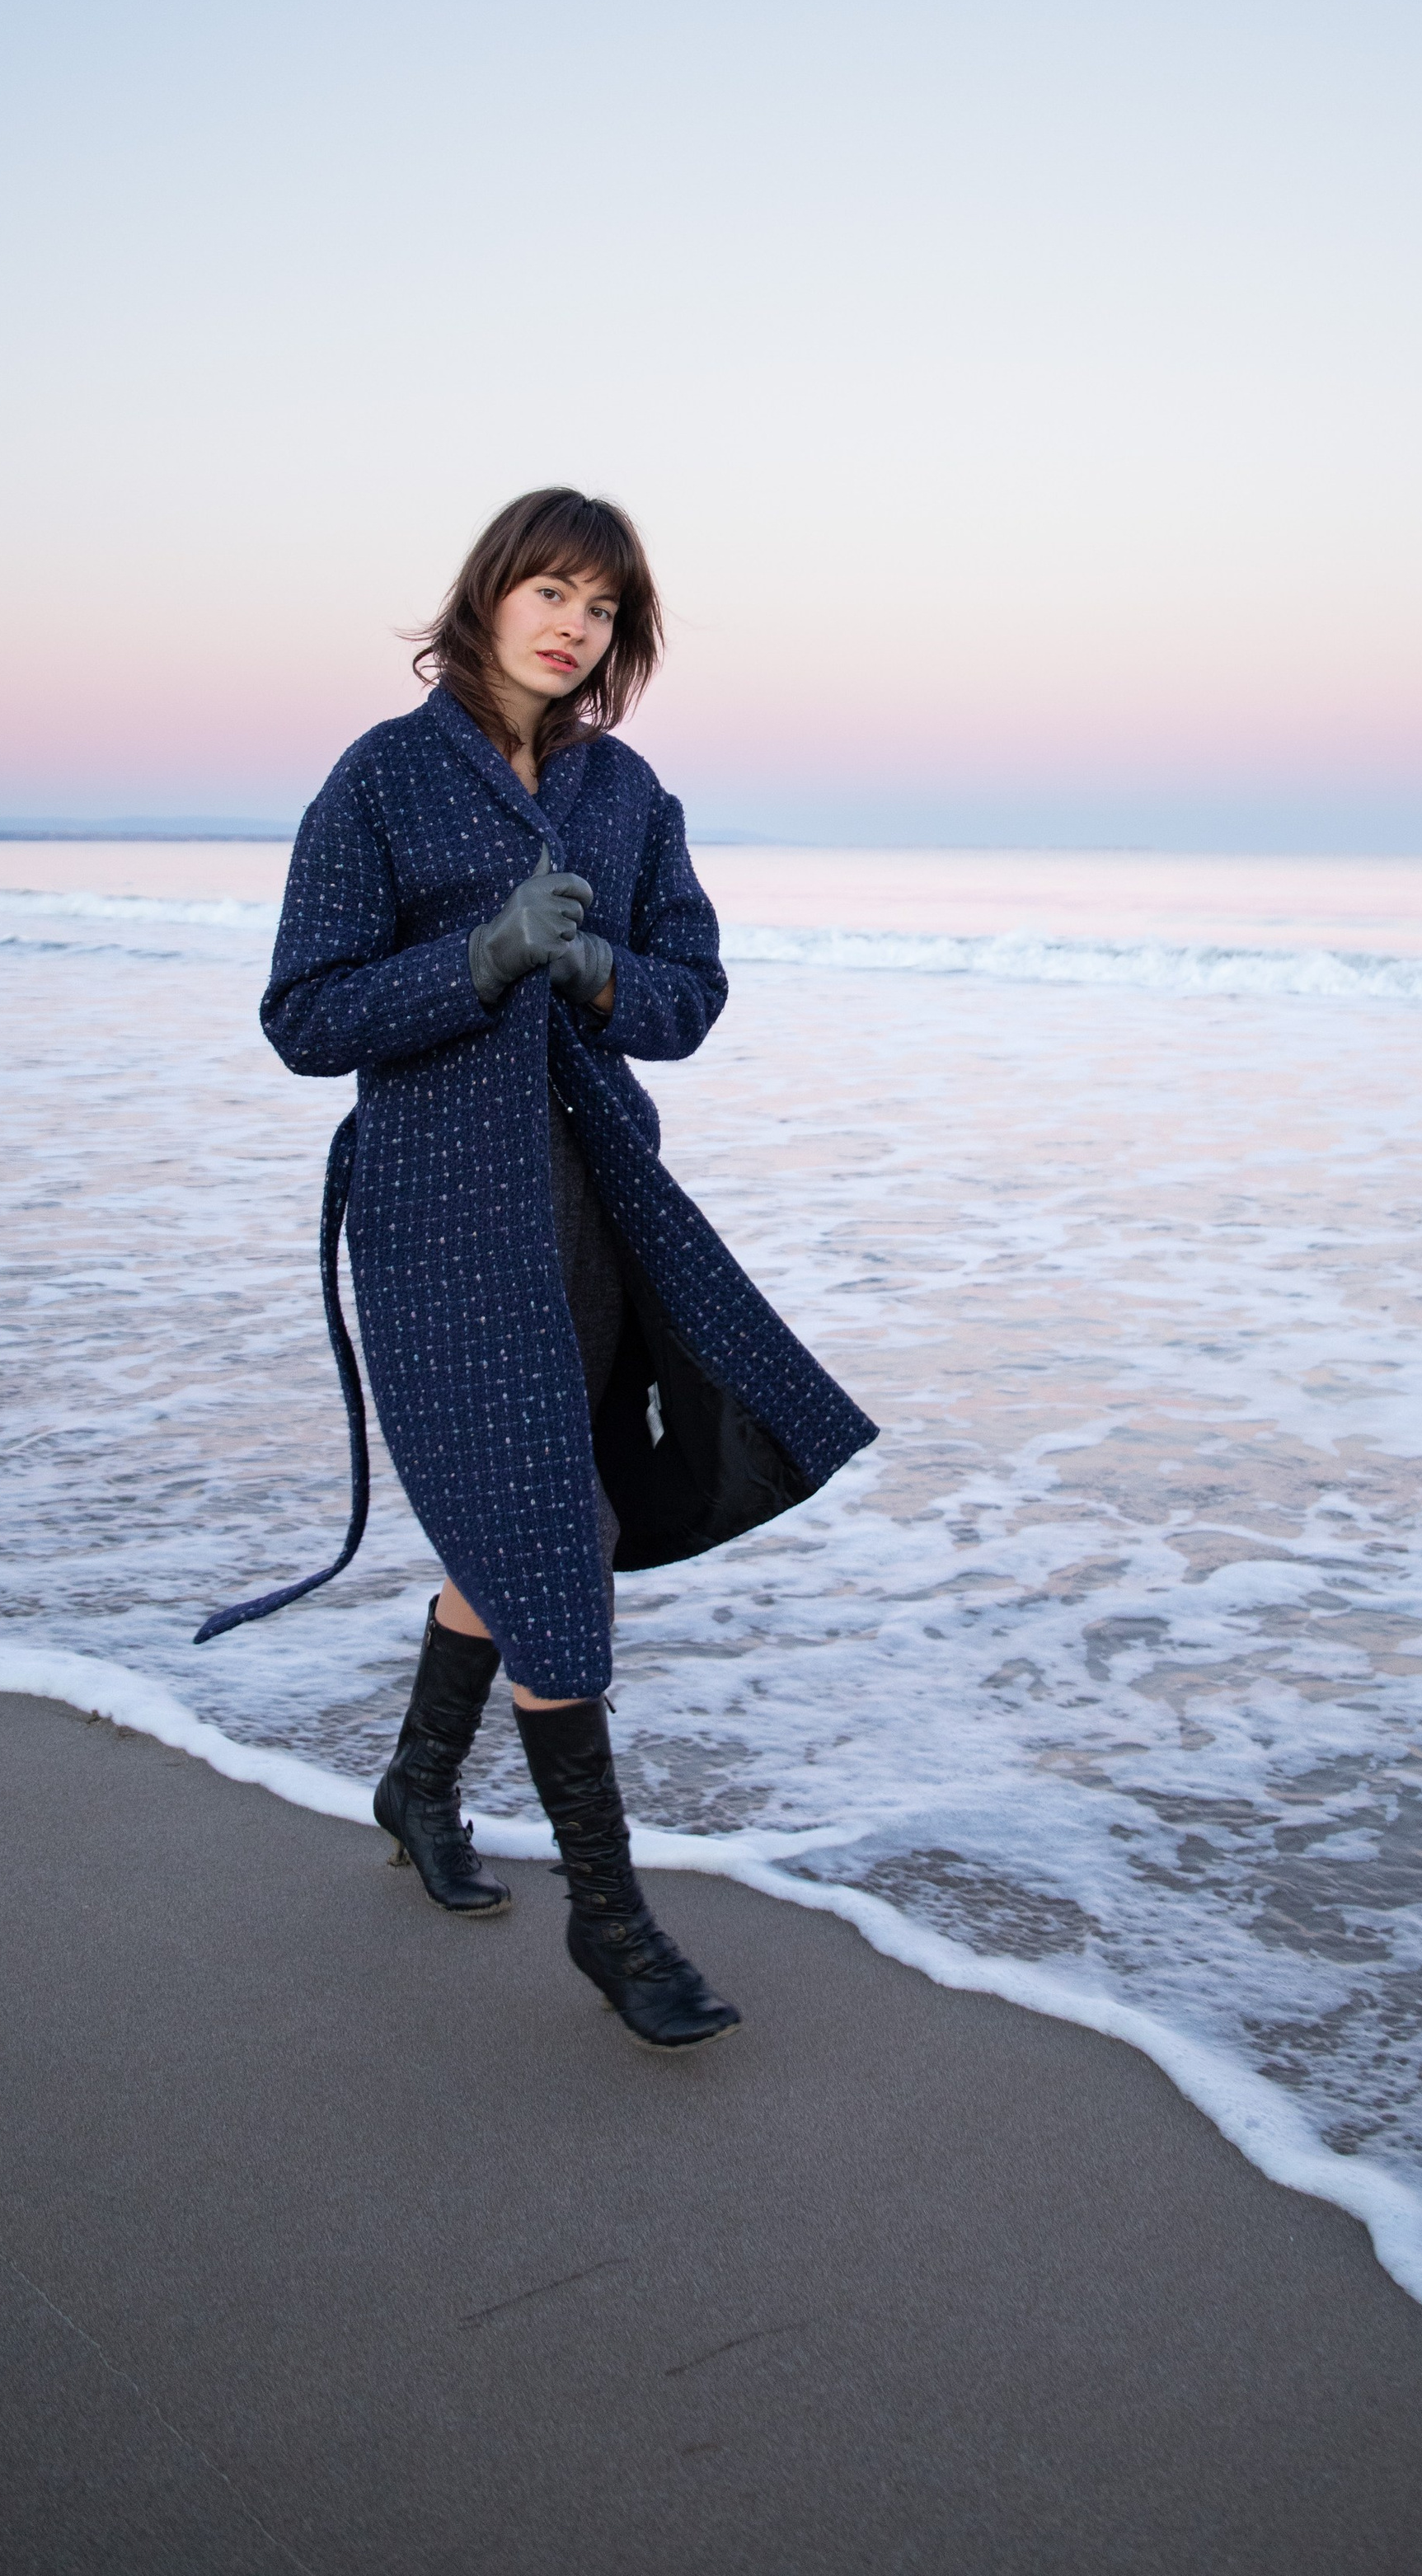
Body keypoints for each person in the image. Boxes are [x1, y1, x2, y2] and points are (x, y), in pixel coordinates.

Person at [215, 490, 875, 2052]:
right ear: (490, 593)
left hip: (595, 1209)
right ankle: (611, 1917)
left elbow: (691, 999)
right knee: (549, 1534)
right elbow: (304, 1019)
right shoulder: (380, 779)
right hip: (440, 1217)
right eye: (552, 589)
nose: (574, 623)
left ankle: (418, 1783)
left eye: (605, 606)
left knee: (521, 1511)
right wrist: (481, 958)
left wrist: (590, 972)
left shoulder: (628, 792)